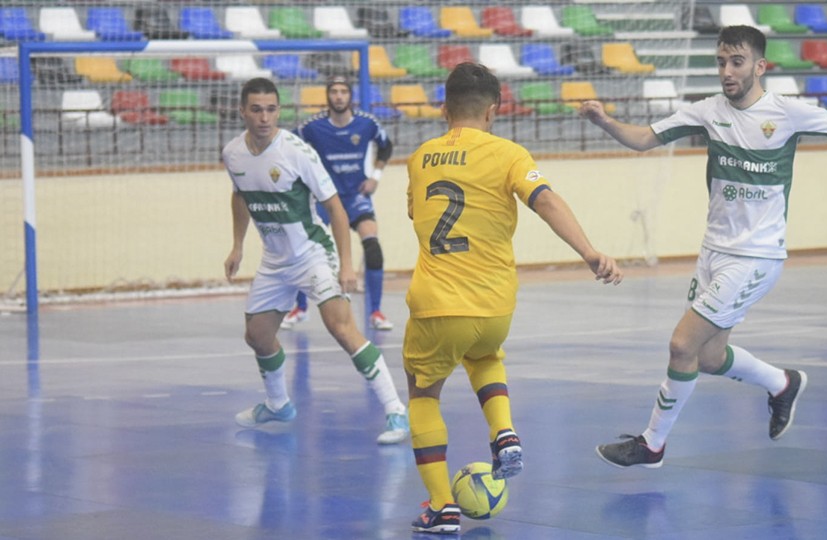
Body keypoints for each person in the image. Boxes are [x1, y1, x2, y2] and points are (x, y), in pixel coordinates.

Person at [581, 25, 827, 469]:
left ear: (759, 66)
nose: (726, 70)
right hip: (713, 253)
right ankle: (782, 383)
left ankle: (653, 444)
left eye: (736, 61)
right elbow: (643, 139)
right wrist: (605, 122)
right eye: (721, 61)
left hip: (757, 257)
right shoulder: (706, 111)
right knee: (709, 357)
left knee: (682, 345)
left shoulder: (788, 113)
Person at [405, 62, 624, 535]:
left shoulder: (420, 157)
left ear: (443, 109)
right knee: (485, 354)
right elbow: (544, 199)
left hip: (437, 302)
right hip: (496, 303)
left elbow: (416, 214)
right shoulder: (509, 153)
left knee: (423, 394)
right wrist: (589, 252)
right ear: (494, 110)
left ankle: (442, 507)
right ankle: (503, 431)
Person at [222, 77, 410, 445]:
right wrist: (237, 245)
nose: (264, 117)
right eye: (256, 109)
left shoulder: (296, 152)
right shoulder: (233, 153)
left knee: (340, 327)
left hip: (313, 254)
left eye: (271, 109)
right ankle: (278, 404)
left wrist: (346, 265)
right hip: (275, 262)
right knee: (257, 336)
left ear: (279, 111)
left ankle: (396, 411)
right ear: (243, 111)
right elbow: (240, 197)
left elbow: (337, 210)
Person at [282, 76, 395, 331]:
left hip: (356, 197)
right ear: (328, 96)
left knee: (373, 247)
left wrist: (375, 177)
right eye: (334, 91)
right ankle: (300, 308)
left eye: (344, 91)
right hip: (324, 199)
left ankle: (375, 312)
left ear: (350, 96)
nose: (339, 96)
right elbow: (287, 147)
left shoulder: (367, 124)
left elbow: (386, 148)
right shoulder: (313, 127)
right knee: (301, 248)